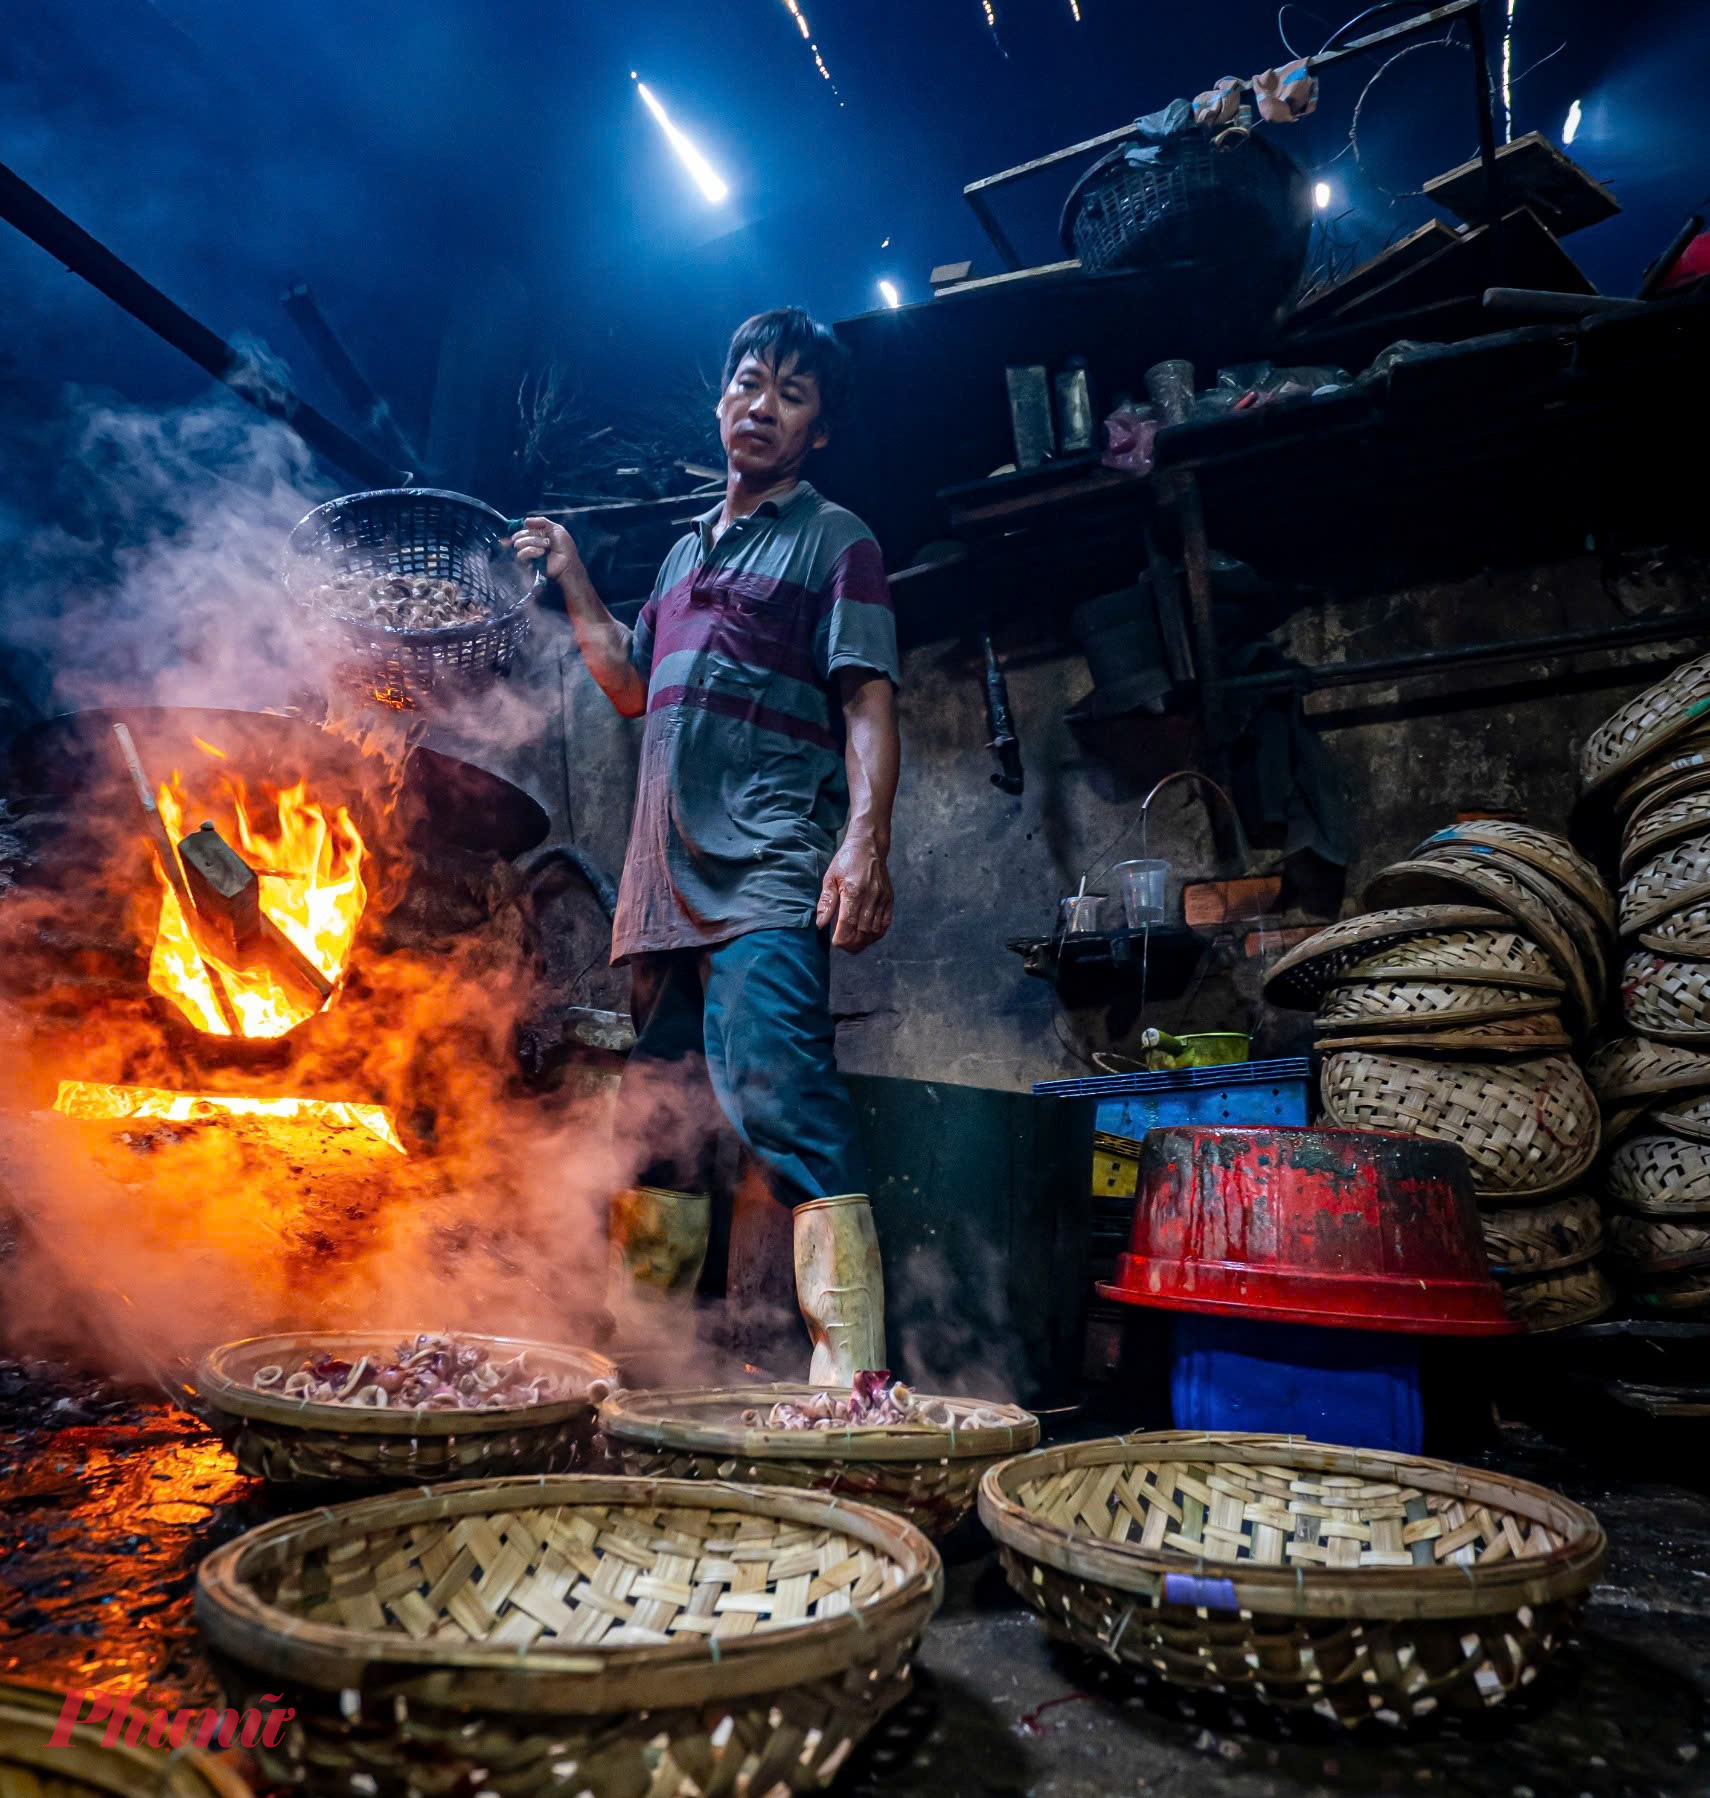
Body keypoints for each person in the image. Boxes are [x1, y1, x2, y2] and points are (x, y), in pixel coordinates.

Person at [510, 307, 900, 1381]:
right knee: (660, 1133)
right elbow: (630, 685)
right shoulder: (685, 554)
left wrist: (862, 844)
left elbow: (866, 700)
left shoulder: (835, 539)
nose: (759, 403)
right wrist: (575, 576)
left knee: (786, 1101)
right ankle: (648, 1372)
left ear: (818, 429)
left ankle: (851, 1379)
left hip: (767, 871)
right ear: (720, 397)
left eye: (791, 391)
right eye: (746, 380)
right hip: (664, 892)